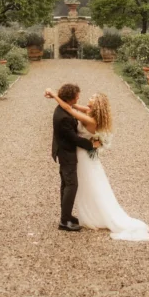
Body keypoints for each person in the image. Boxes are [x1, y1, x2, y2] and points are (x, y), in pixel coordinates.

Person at [46, 85, 149, 242]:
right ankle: (67, 216)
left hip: (83, 155)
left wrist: (54, 95)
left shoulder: (90, 119)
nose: (88, 98)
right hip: (78, 153)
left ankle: (76, 216)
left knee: (80, 184)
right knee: (73, 184)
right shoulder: (89, 111)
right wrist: (56, 95)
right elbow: (71, 105)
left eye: (92, 98)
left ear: (97, 105)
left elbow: (71, 110)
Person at [50, 82, 99, 231]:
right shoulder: (64, 117)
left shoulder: (64, 109)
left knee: (66, 184)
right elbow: (74, 139)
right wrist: (93, 145)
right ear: (71, 98)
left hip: (64, 151)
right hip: (66, 153)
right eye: (77, 95)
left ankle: (66, 215)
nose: (79, 97)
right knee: (71, 185)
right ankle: (64, 221)